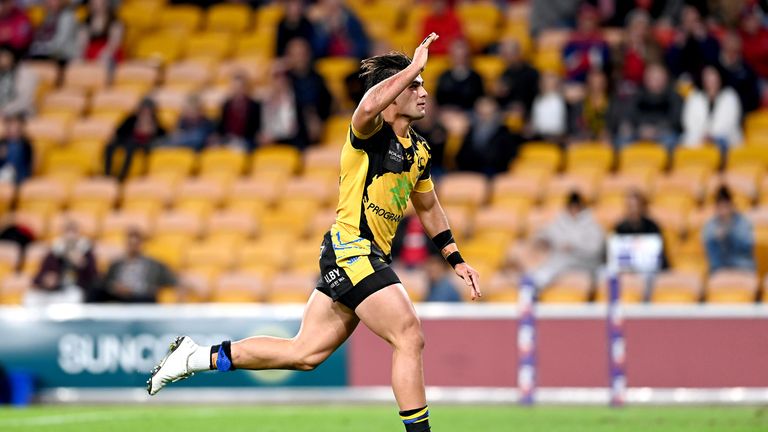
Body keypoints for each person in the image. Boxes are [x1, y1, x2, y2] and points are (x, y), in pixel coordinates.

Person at [148, 34, 482, 432]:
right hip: (351, 250)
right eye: (414, 85)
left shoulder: (420, 150)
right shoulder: (368, 133)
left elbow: (428, 206)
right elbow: (368, 104)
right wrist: (412, 66)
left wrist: (455, 258)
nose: (424, 91)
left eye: (423, 83)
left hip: (361, 256)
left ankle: (195, 357)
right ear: (392, 95)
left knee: (304, 353)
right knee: (409, 334)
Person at [528, 192, 604, 289]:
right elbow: (546, 233)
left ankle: (537, 282)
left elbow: (596, 249)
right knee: (550, 260)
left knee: (559, 262)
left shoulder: (592, 225)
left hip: (585, 260)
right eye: (571, 207)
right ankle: (533, 283)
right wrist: (541, 239)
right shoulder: (559, 222)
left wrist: (574, 247)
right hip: (561, 258)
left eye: (577, 207)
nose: (574, 210)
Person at [89, 228, 177, 303]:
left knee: (145, 298)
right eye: (130, 244)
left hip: (140, 296)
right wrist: (115, 287)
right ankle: (90, 318)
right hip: (119, 295)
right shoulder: (116, 264)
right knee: (96, 289)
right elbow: (106, 281)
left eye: (136, 244)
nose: (133, 247)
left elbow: (170, 280)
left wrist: (132, 290)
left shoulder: (153, 265)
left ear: (141, 245)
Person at [26, 221, 97, 306]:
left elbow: (94, 278)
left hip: (74, 290)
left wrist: (83, 265)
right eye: (67, 232)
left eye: (73, 232)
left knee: (74, 296)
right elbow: (39, 276)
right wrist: (45, 279)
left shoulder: (86, 253)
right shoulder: (53, 253)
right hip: (55, 290)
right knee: (31, 297)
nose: (70, 236)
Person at [615, 63, 682, 149]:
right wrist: (640, 129)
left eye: (658, 78)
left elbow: (675, 120)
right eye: (651, 77)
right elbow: (629, 116)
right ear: (645, 78)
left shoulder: (674, 97)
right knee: (621, 140)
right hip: (639, 132)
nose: (654, 80)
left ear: (665, 78)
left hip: (663, 133)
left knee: (671, 140)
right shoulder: (637, 95)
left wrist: (656, 130)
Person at [284, 37, 332, 147]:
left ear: (308, 55)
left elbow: (327, 104)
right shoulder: (283, 81)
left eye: (302, 54)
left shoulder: (318, 80)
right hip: (289, 135)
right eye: (295, 55)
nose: (299, 59)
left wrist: (315, 117)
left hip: (313, 136)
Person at [103, 98, 166, 181]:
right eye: (144, 109)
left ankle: (122, 175)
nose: (146, 112)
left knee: (130, 148)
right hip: (128, 140)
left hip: (143, 144)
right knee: (109, 146)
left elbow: (163, 135)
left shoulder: (155, 121)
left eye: (148, 110)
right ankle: (107, 173)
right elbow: (119, 131)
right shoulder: (132, 119)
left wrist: (151, 131)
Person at [681, 65, 742, 150]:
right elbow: (689, 121)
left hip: (725, 140)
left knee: (720, 143)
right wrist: (703, 135)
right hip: (699, 140)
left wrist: (712, 136)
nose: (711, 81)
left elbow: (730, 122)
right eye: (708, 78)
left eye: (713, 77)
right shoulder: (695, 96)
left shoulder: (730, 96)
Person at [455, 96, 518, 175]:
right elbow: (461, 157)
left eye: (488, 114)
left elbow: (506, 157)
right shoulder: (470, 131)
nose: (484, 118)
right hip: (472, 171)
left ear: (495, 113)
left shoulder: (504, 133)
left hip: (495, 172)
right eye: (481, 114)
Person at [703, 186, 754, 274]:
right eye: (720, 208)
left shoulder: (743, 222)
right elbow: (710, 254)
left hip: (742, 265)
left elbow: (747, 247)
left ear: (732, 206)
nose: (724, 211)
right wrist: (717, 239)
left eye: (726, 207)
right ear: (716, 208)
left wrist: (729, 234)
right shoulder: (711, 225)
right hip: (719, 266)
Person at [614, 189, 668, 269]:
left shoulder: (652, 227)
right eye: (630, 207)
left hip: (650, 270)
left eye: (636, 206)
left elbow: (658, 256)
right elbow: (616, 256)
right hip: (627, 270)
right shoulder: (620, 228)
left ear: (642, 207)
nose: (633, 210)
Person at [664, 6, 719, 79]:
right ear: (683, 23)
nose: (691, 24)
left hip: (704, 80)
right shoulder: (676, 39)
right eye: (688, 21)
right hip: (681, 80)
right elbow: (670, 65)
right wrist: (678, 46)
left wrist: (703, 40)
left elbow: (713, 61)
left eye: (694, 21)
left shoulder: (708, 39)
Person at [562, 4, 610, 83]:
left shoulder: (600, 40)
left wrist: (581, 58)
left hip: (594, 79)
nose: (587, 23)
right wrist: (587, 58)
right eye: (584, 20)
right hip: (575, 78)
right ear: (579, 21)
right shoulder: (572, 40)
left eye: (590, 20)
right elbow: (569, 63)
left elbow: (601, 63)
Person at [214, 72, 261, 151]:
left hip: (247, 141)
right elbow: (221, 127)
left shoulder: (254, 106)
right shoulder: (226, 105)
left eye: (240, 87)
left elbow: (256, 129)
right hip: (227, 139)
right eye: (235, 87)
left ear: (246, 88)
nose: (237, 91)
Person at [434, 39, 484, 112]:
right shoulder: (444, 77)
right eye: (457, 56)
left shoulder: (475, 77)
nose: (460, 59)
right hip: (447, 113)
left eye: (463, 56)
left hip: (471, 113)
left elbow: (480, 100)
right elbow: (438, 101)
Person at [494, 37, 539, 118]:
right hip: (509, 114)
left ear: (518, 53)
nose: (506, 58)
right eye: (504, 55)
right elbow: (501, 101)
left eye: (509, 54)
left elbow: (537, 97)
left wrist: (525, 108)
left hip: (529, 113)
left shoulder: (532, 73)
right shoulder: (504, 74)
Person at [718, 31, 760, 115]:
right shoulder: (714, 67)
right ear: (723, 46)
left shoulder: (747, 69)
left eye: (735, 50)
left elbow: (753, 96)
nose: (732, 53)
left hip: (742, 112)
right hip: (719, 111)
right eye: (729, 49)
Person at [76, 0, 124, 64]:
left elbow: (114, 43)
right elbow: (81, 44)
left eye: (100, 2)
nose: (97, 5)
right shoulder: (86, 22)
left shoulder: (114, 21)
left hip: (110, 53)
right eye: (94, 2)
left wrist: (105, 54)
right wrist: (79, 57)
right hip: (91, 55)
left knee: (106, 60)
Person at [0, 45, 37, 116]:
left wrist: (4, 111)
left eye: (3, 56)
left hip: (20, 113)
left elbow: (25, 100)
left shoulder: (26, 73)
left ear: (13, 56)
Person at [529, 72, 567, 142]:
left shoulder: (561, 98)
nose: (545, 84)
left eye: (549, 81)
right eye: (543, 82)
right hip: (538, 135)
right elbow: (534, 122)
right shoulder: (537, 99)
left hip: (557, 137)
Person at [0, 113, 32, 184]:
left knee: (15, 146)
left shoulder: (25, 144)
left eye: (16, 128)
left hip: (19, 174)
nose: (13, 130)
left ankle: (8, 173)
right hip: (2, 170)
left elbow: (27, 164)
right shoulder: (2, 142)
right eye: (10, 127)